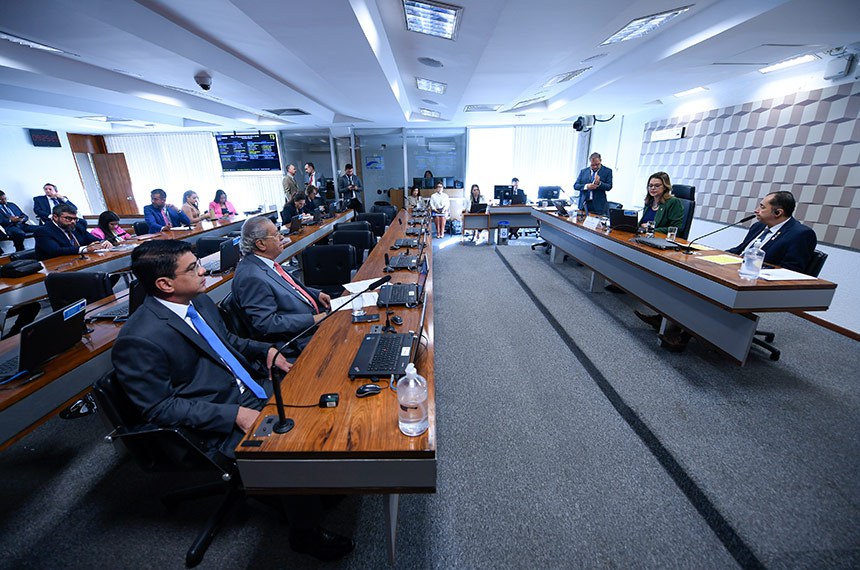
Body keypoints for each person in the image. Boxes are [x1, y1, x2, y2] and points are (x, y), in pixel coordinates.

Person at [111, 239, 353, 561]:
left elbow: (226, 341)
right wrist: (234, 414)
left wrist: (264, 350)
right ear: (165, 284)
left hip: (249, 388)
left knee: (320, 400)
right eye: (193, 268)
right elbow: (159, 408)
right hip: (213, 419)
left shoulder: (199, 303)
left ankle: (310, 490)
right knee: (291, 445)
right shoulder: (139, 339)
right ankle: (304, 533)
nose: (203, 271)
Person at [231, 217, 332, 352]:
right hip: (298, 340)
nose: (282, 237)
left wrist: (316, 294)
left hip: (311, 321)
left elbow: (288, 286)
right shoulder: (251, 277)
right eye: (276, 235)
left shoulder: (264, 262)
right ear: (261, 244)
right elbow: (266, 323)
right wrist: (314, 319)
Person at [726, 191, 817, 273]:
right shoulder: (758, 226)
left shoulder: (801, 234)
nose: (756, 210)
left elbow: (791, 270)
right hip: (737, 271)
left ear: (778, 213)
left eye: (762, 207)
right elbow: (740, 250)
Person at [33, 203, 110, 260]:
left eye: (75, 219)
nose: (73, 222)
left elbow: (92, 239)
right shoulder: (43, 231)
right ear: (55, 217)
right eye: (68, 218)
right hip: (55, 269)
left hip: (79, 261)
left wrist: (103, 242)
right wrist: (86, 249)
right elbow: (55, 251)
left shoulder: (77, 226)